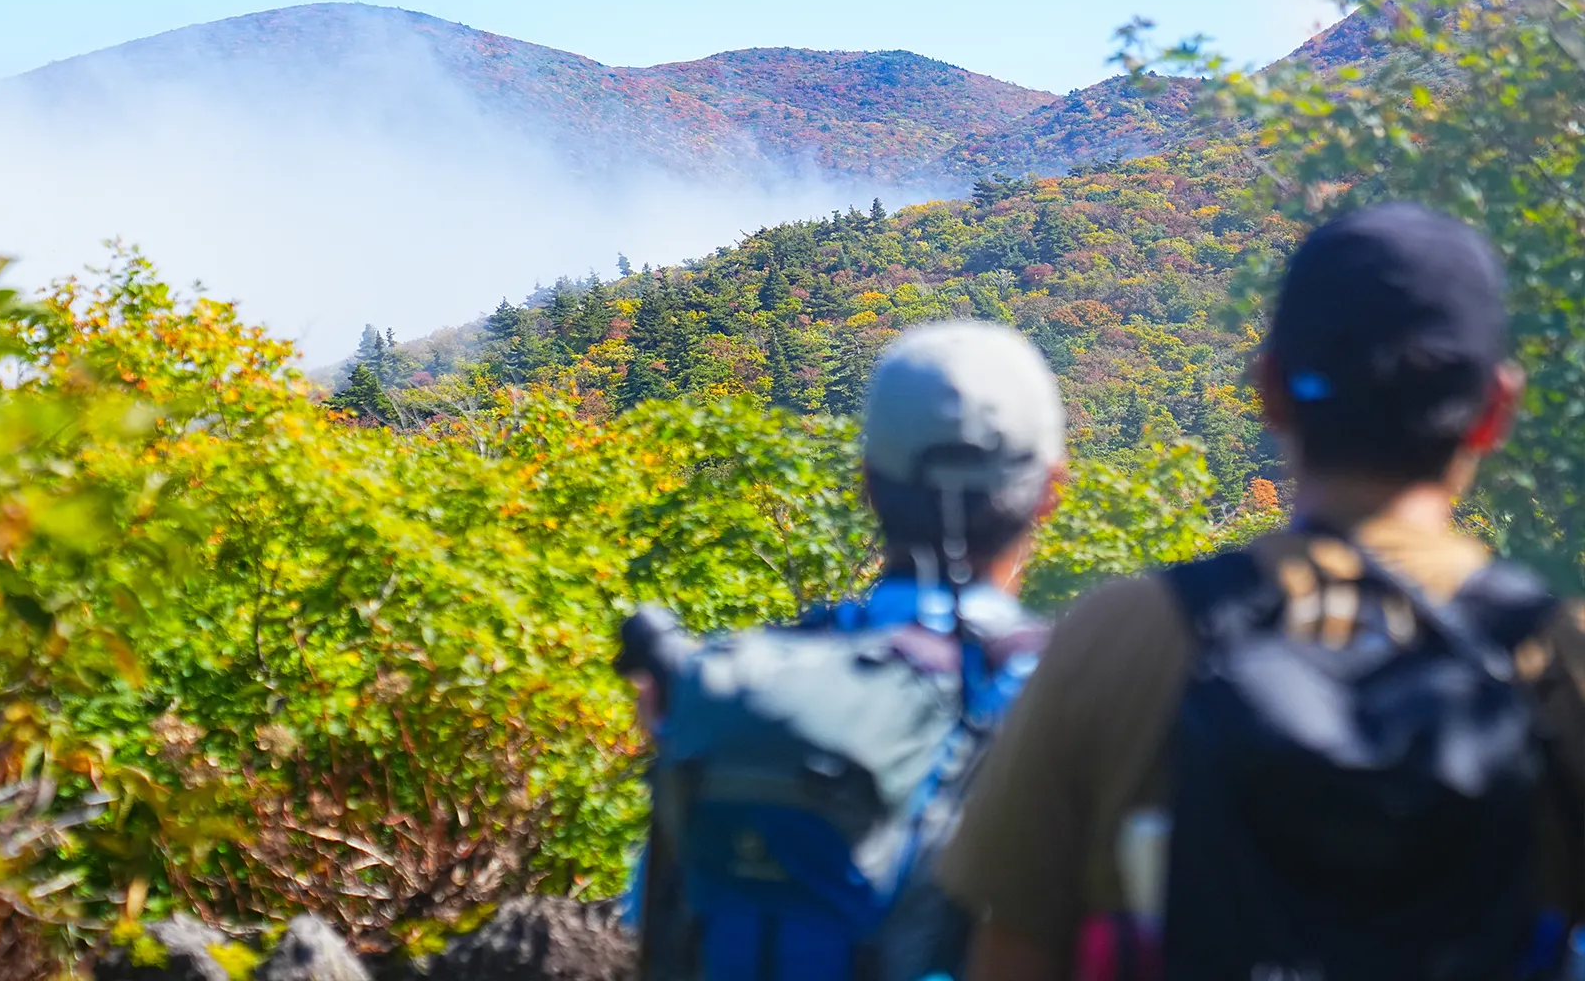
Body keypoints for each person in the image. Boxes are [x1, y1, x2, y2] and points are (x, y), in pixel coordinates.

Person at [937, 202, 1585, 981]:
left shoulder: (1123, 637)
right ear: (1496, 411)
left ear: (1269, 389)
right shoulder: (1558, 659)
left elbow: (1012, 952)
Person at [616, 319, 1067, 981]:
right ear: (1051, 491)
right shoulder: (1063, 684)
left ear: (867, 486)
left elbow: (653, 924)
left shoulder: (744, 683)